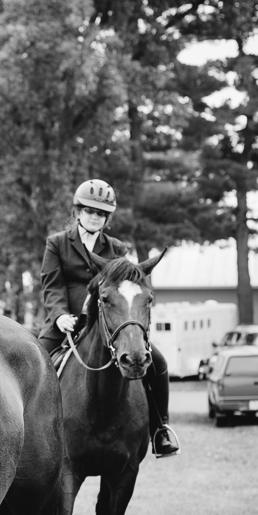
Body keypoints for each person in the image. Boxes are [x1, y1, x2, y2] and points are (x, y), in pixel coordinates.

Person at [39, 179, 181, 458]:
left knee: (159, 362)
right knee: (36, 362)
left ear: (107, 218)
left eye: (101, 213)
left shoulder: (116, 248)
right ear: (77, 211)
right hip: (67, 323)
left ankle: (160, 429)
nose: (95, 217)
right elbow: (52, 285)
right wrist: (58, 316)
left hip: (108, 325)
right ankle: (33, 432)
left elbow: (126, 289)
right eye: (90, 211)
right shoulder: (57, 244)